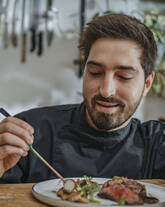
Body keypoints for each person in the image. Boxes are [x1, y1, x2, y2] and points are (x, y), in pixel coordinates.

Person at [0, 13, 165, 183]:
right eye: (95, 72)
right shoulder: (28, 133)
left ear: (147, 84)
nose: (106, 91)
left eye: (124, 76)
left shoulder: (158, 145)